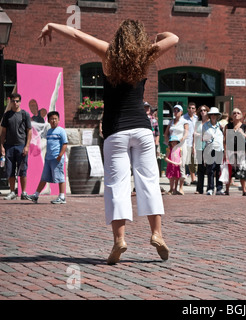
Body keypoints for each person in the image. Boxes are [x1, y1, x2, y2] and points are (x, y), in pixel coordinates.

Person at [38, 20, 178, 264]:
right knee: (149, 182)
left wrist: (51, 24)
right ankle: (157, 234)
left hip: (116, 130)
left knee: (117, 184)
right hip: (143, 130)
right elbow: (174, 38)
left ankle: (119, 240)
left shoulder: (108, 53)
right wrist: (157, 35)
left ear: (120, 37)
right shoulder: (146, 55)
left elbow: (76, 35)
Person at [29, 111, 68, 204]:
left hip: (57, 158)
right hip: (48, 159)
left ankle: (62, 197)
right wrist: (46, 155)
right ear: (49, 121)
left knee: (60, 177)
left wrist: (60, 155)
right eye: (52, 119)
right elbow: (49, 144)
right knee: (44, 177)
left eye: (55, 119)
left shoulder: (61, 131)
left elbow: (65, 144)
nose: (54, 121)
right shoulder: (49, 131)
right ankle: (36, 195)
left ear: (58, 120)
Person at [1, 93, 33, 201]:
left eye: (17, 101)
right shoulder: (7, 115)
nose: (15, 103)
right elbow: (3, 132)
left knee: (23, 170)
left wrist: (27, 146)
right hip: (9, 146)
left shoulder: (25, 114)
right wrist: (1, 146)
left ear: (20, 101)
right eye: (13, 101)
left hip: (21, 146)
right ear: (10, 102)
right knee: (10, 170)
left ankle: (23, 192)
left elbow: (29, 131)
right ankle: (12, 192)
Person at [224, 108, 246, 196]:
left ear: (241, 115)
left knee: (243, 171)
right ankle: (227, 190)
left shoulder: (244, 126)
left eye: (238, 113)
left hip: (241, 152)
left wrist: (242, 133)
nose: (236, 114)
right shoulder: (228, 126)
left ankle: (244, 191)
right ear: (232, 115)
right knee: (229, 171)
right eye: (234, 113)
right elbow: (224, 140)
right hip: (230, 151)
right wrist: (225, 152)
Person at [164, 104, 189, 195]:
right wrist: (167, 142)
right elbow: (166, 133)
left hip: (181, 145)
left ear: (181, 112)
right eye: (174, 110)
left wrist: (181, 140)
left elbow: (186, 133)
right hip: (172, 145)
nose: (175, 112)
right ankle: (172, 188)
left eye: (177, 110)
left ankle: (181, 188)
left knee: (181, 165)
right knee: (172, 166)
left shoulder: (184, 121)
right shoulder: (171, 122)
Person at [202, 107, 225, 195]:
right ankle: (210, 188)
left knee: (219, 169)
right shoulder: (205, 126)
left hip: (219, 149)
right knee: (210, 169)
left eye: (215, 114)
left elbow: (223, 138)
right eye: (212, 114)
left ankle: (219, 188)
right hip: (210, 149)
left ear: (218, 116)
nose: (213, 116)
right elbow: (203, 138)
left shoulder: (220, 126)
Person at [194, 105, 209, 194]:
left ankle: (210, 188)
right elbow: (194, 133)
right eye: (201, 110)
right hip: (199, 147)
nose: (203, 112)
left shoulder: (210, 122)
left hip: (208, 147)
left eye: (204, 110)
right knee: (200, 169)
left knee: (209, 168)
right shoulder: (198, 123)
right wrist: (193, 147)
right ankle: (199, 189)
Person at [183, 102, 198, 185]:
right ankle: (184, 179)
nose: (191, 109)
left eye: (193, 108)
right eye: (189, 108)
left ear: (195, 109)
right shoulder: (183, 118)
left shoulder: (197, 118)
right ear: (187, 108)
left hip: (195, 142)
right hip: (186, 142)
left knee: (193, 162)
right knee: (185, 161)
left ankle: (193, 179)